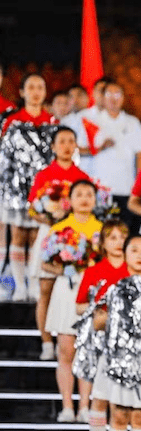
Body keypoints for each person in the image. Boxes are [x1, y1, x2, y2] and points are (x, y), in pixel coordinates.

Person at [89, 233, 141, 431]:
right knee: (118, 414)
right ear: (125, 255)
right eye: (134, 250)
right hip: (116, 360)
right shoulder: (113, 286)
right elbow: (97, 321)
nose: (140, 255)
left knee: (139, 416)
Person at [28, 127, 91, 361]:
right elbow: (33, 208)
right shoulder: (45, 174)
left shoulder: (82, 176)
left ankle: (71, 340)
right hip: (50, 234)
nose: (66, 145)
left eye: (71, 141)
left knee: (73, 289)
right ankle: (46, 342)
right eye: (62, 141)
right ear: (53, 147)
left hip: (77, 235)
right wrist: (50, 218)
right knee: (45, 289)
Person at [42, 180, 102, 422]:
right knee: (66, 350)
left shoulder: (103, 230)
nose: (85, 198)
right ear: (71, 200)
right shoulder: (59, 229)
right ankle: (68, 406)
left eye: (89, 194)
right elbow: (45, 263)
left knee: (87, 351)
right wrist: (64, 269)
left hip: (92, 292)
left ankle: (85, 406)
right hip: (67, 291)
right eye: (79, 194)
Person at [76, 218, 130, 431]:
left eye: (122, 237)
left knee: (121, 405)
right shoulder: (95, 271)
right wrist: (99, 313)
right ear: (103, 243)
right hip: (102, 344)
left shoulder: (134, 271)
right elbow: (79, 305)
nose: (118, 243)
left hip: (129, 347)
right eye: (113, 238)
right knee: (99, 399)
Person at [1, 73, 58, 301]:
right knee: (18, 235)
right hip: (15, 189)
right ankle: (19, 287)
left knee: (38, 236)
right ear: (22, 92)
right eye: (31, 87)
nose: (36, 92)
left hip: (42, 192)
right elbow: (4, 159)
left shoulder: (52, 123)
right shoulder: (11, 121)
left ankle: (33, 285)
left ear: (45, 93)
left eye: (40, 87)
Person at [90, 81, 141, 232]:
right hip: (101, 189)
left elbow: (140, 155)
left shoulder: (132, 122)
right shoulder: (92, 121)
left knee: (125, 231)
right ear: (102, 97)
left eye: (117, 94)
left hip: (126, 188)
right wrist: (100, 147)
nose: (113, 98)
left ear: (123, 98)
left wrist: (139, 186)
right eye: (109, 94)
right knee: (101, 232)